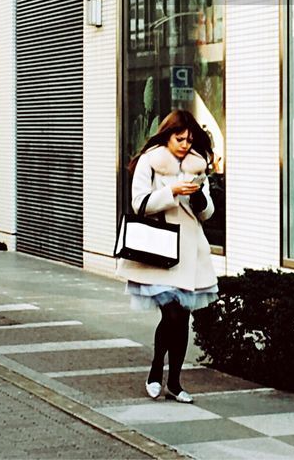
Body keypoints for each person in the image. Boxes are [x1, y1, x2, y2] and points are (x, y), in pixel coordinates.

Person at [117, 110, 218, 404]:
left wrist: (198, 197)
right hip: (159, 250)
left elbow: (207, 212)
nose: (185, 144)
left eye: (189, 139)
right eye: (179, 138)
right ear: (167, 135)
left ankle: (174, 382)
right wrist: (172, 191)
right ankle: (154, 371)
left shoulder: (198, 166)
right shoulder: (150, 162)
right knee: (172, 314)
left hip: (190, 251)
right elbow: (139, 204)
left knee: (182, 318)